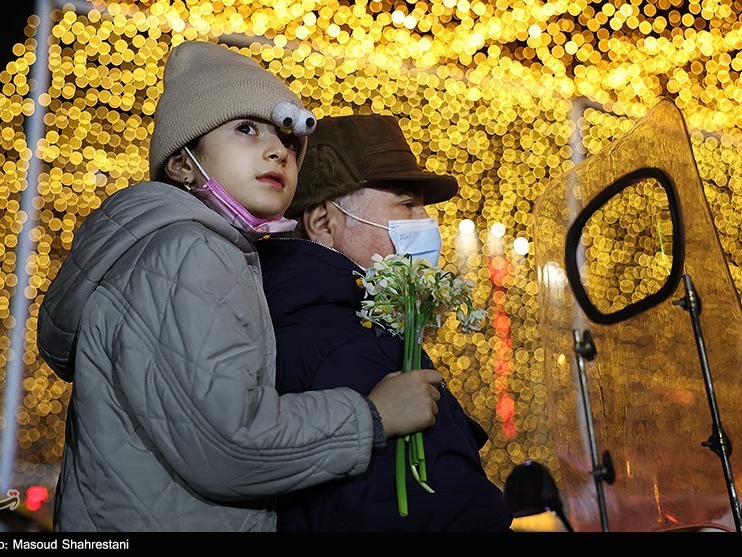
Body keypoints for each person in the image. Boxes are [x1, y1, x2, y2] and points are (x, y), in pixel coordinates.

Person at [36, 41, 443, 532]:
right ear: (183, 163)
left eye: (289, 140)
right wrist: (372, 415)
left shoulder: (192, 250)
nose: (278, 150)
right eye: (246, 129)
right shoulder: (190, 251)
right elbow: (229, 445)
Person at [257, 114, 515, 531]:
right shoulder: (341, 342)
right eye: (406, 203)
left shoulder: (320, 319)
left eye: (424, 207)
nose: (425, 224)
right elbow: (427, 512)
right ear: (324, 222)